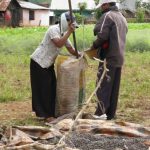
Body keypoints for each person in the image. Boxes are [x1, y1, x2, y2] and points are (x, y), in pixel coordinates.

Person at [30, 12, 79, 122]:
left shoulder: (64, 33)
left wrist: (80, 54)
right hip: (39, 62)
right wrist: (70, 32)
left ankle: (50, 112)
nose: (72, 26)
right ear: (65, 21)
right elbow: (59, 43)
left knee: (52, 88)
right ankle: (45, 115)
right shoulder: (53, 29)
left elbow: (70, 49)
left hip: (48, 64)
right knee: (44, 89)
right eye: (71, 23)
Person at [90, 0, 128, 120]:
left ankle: (101, 113)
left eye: (102, 5)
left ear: (107, 5)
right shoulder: (122, 17)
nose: (101, 8)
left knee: (103, 85)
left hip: (108, 56)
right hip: (119, 56)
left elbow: (102, 35)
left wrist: (93, 46)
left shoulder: (107, 15)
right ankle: (111, 114)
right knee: (113, 86)